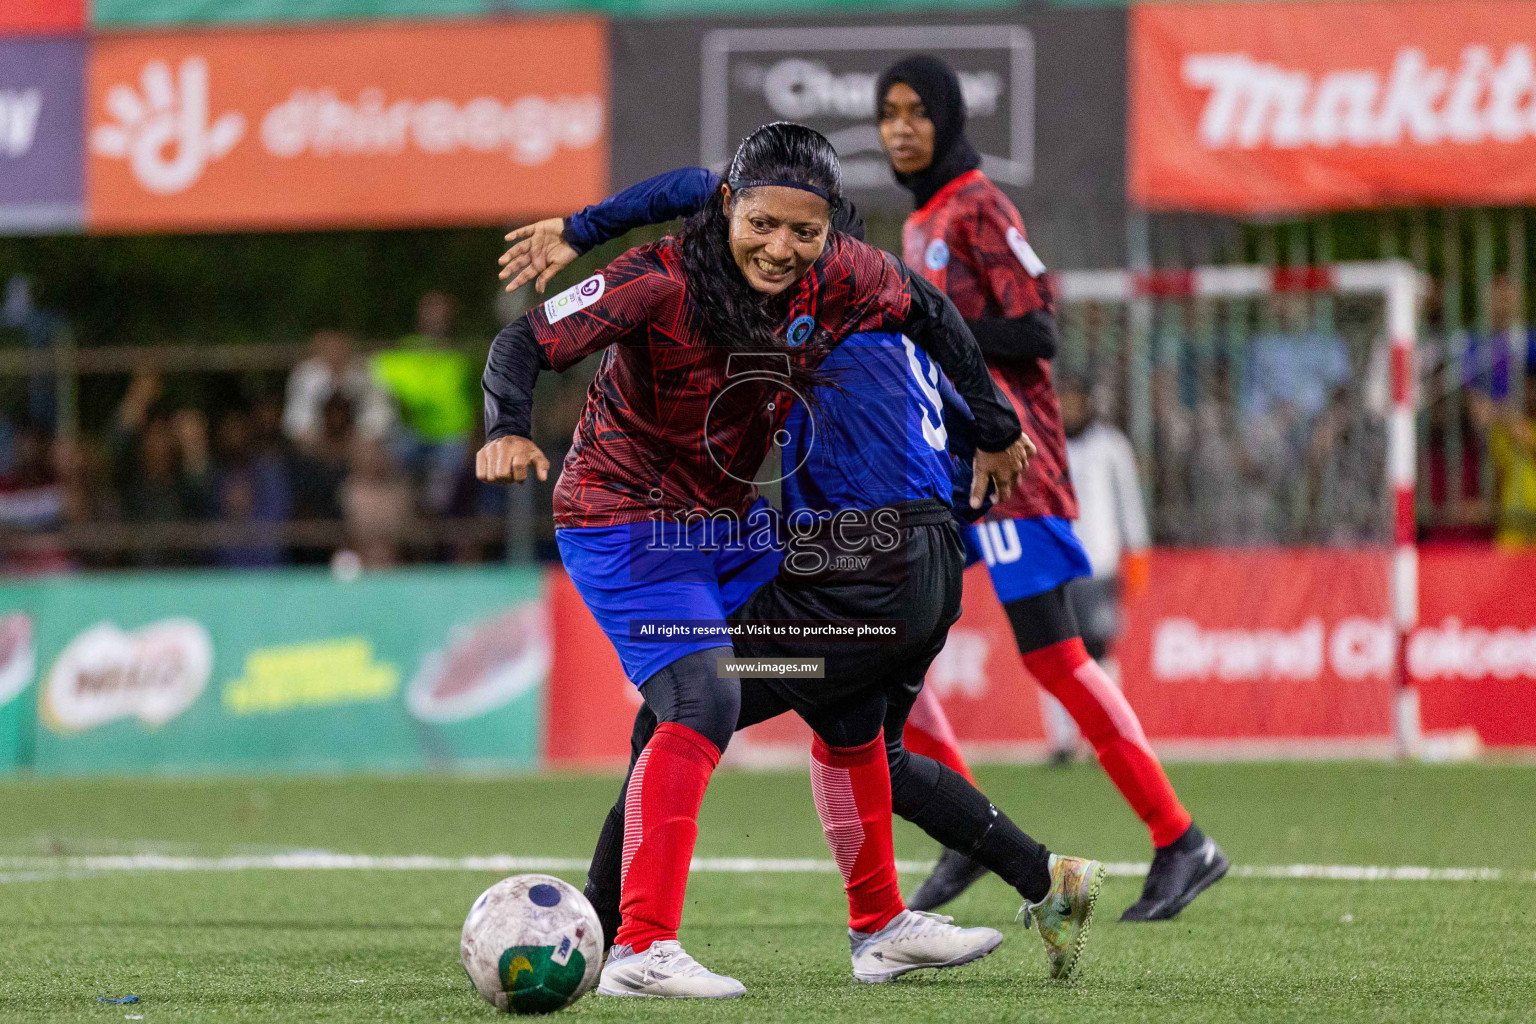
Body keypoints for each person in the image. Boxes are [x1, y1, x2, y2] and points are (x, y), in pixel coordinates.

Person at [479, 123, 1032, 998]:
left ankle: (879, 928)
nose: (780, 249)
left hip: (731, 525)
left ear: (831, 230)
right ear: (728, 206)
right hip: (625, 522)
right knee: (705, 696)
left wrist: (997, 429)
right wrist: (507, 427)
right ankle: (639, 950)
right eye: (762, 225)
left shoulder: (843, 272)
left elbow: (929, 310)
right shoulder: (655, 279)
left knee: (843, 695)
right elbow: (524, 342)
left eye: (803, 233)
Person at [874, 54, 1226, 921]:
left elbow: (1037, 329)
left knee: (1056, 658)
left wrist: (932, 323)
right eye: (889, 112)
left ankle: (1183, 841)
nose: (903, 126)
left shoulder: (981, 207)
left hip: (1015, 469)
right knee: (889, 650)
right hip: (947, 470)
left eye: (920, 110)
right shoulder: (921, 222)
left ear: (950, 118)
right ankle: (967, 836)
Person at [1037, 374, 1152, 762]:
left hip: (1099, 562)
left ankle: (1109, 733)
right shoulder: (1043, 443)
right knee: (1053, 650)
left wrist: (1136, 552)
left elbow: (1129, 503)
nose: (1069, 407)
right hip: (1055, 563)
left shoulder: (1111, 446)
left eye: (1075, 399)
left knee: (1099, 650)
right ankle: (1062, 741)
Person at [373, 293, 478, 513]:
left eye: (441, 314)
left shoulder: (462, 358)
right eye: (431, 313)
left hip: (451, 438)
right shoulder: (403, 351)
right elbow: (377, 380)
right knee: (386, 460)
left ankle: (434, 519)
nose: (436, 319)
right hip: (409, 433)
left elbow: (477, 406)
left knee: (445, 488)